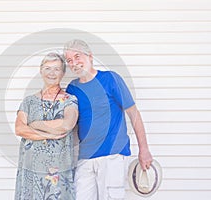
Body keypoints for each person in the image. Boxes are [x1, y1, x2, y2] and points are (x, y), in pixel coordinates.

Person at [64, 39, 153, 200]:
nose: (74, 63)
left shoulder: (110, 79)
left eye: (77, 57)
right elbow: (69, 123)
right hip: (85, 157)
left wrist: (144, 149)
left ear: (90, 56)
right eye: (69, 60)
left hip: (112, 155)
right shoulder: (72, 88)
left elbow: (133, 114)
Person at [14, 52, 79, 200]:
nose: (52, 73)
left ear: (63, 73)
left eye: (56, 69)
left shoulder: (70, 100)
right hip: (31, 170)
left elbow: (66, 124)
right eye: (48, 68)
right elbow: (19, 129)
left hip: (57, 171)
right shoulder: (29, 101)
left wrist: (35, 125)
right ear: (41, 71)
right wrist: (50, 134)